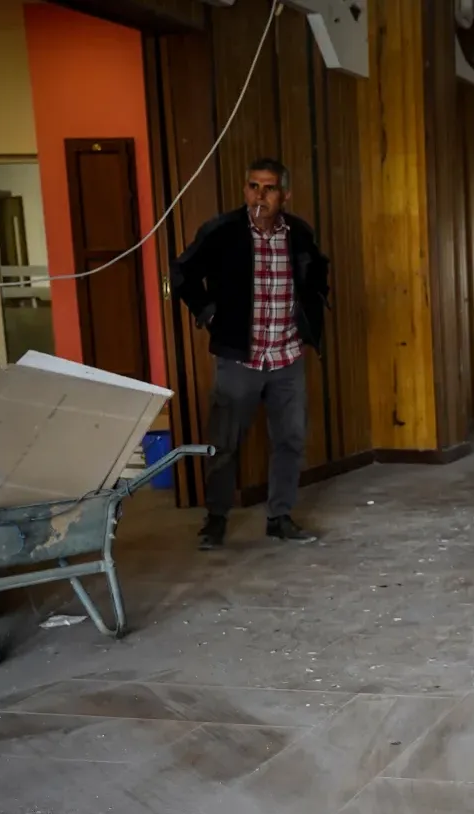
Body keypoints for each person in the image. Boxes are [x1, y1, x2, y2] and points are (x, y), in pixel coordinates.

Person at [171, 158, 330, 550]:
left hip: (287, 357)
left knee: (290, 440)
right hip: (240, 358)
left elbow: (317, 274)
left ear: (285, 195)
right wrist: (207, 312)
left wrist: (312, 313)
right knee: (225, 443)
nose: (260, 195)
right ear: (245, 190)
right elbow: (183, 272)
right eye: (253, 187)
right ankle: (216, 519)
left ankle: (279, 517)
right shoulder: (223, 232)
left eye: (269, 188)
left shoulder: (299, 235)